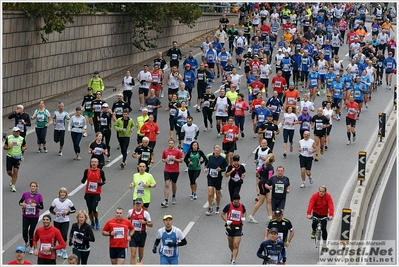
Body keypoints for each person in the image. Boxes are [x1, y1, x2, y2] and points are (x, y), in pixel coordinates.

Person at [49, 187, 76, 259]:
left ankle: (63, 250)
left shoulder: (68, 201)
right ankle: (57, 250)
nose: (62, 194)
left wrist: (68, 212)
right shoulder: (55, 200)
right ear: (59, 193)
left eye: (64, 192)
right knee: (56, 236)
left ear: (66, 194)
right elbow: (50, 209)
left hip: (65, 221)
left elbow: (74, 210)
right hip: (57, 220)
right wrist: (55, 213)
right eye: (61, 192)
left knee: (64, 235)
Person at [248, 153, 275, 223]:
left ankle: (269, 217)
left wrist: (260, 178)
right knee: (260, 201)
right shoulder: (271, 168)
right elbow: (270, 178)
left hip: (262, 183)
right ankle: (251, 215)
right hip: (265, 185)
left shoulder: (264, 165)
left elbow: (257, 171)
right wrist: (270, 185)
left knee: (269, 200)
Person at [307, 185, 334, 252]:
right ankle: (313, 231)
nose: (321, 193)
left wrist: (331, 215)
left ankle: (324, 244)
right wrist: (309, 214)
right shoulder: (315, 196)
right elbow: (311, 204)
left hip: (324, 214)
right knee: (314, 223)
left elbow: (331, 205)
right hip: (316, 213)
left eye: (322, 192)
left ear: (325, 192)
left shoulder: (328, 196)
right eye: (320, 191)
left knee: (324, 229)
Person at [221, 193, 246, 265]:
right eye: (235, 200)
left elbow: (244, 212)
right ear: (233, 200)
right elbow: (222, 214)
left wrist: (243, 217)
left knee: (236, 245)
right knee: (230, 244)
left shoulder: (242, 206)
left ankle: (233, 260)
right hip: (230, 227)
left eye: (238, 200)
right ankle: (232, 252)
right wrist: (226, 220)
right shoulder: (228, 206)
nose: (236, 201)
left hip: (238, 227)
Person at [81, 158, 106, 230]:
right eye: (92, 162)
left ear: (97, 163)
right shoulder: (87, 171)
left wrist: (101, 183)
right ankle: (92, 222)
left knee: (94, 208)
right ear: (90, 163)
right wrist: (82, 181)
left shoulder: (100, 171)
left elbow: (104, 180)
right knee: (89, 209)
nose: (94, 163)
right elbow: (84, 179)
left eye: (95, 162)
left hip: (96, 193)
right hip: (88, 192)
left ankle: (97, 220)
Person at [19, 182, 44, 254]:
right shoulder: (25, 194)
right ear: (30, 187)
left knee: (31, 232)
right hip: (26, 215)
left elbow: (42, 207)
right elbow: (20, 202)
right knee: (24, 232)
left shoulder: (39, 196)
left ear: (36, 187)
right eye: (32, 186)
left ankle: (31, 246)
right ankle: (26, 243)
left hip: (34, 216)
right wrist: (22, 204)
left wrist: (36, 205)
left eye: (34, 186)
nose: (33, 187)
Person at [127, 198, 153, 264]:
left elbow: (151, 224)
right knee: (133, 253)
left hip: (142, 234)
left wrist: (145, 222)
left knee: (141, 255)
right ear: (134, 204)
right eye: (136, 203)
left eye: (139, 203)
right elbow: (127, 219)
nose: (138, 205)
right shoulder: (130, 212)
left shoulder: (145, 213)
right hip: (133, 233)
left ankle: (139, 260)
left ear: (142, 204)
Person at [204, 145, 228, 215]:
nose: (216, 152)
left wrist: (221, 169)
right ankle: (210, 207)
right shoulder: (211, 157)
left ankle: (217, 206)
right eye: (215, 151)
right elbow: (208, 164)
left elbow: (225, 168)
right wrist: (206, 168)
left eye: (218, 151)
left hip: (218, 178)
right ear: (214, 151)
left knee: (217, 193)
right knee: (210, 193)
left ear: (220, 152)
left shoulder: (222, 159)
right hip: (210, 177)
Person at [161, 139, 183, 207]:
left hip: (175, 170)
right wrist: (165, 160)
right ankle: (166, 200)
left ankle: (173, 196)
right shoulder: (165, 151)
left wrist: (174, 159)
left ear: (174, 144)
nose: (170, 144)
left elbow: (181, 160)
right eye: (169, 143)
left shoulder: (177, 151)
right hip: (167, 170)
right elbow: (162, 159)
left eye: (172, 143)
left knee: (174, 184)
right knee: (167, 185)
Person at [4, 127, 27, 192]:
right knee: (8, 172)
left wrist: (24, 148)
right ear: (13, 131)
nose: (18, 133)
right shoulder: (9, 138)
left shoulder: (21, 139)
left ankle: (13, 186)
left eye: (19, 131)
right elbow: (4, 147)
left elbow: (25, 146)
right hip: (10, 156)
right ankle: (13, 177)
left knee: (15, 170)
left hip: (18, 157)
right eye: (16, 131)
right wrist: (8, 147)